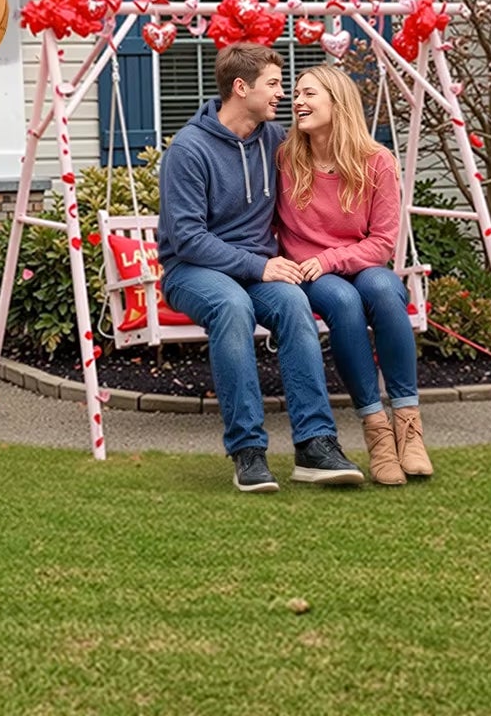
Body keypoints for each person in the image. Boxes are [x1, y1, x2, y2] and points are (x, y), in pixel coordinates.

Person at [158, 42, 364, 493]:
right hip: (192, 270)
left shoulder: (276, 141)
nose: (282, 94)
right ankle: (247, 450)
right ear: (240, 88)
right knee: (231, 306)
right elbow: (189, 239)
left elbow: (333, 157)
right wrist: (261, 265)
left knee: (292, 304)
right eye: (272, 84)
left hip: (257, 269)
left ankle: (315, 444)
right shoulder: (189, 150)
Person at [275, 63, 433, 486]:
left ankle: (409, 426)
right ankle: (377, 433)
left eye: (309, 94)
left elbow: (383, 242)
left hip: (355, 263)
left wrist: (332, 259)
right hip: (309, 273)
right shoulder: (286, 157)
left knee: (385, 289)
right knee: (343, 302)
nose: (298, 101)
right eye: (296, 93)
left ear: (336, 101)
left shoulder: (376, 161)